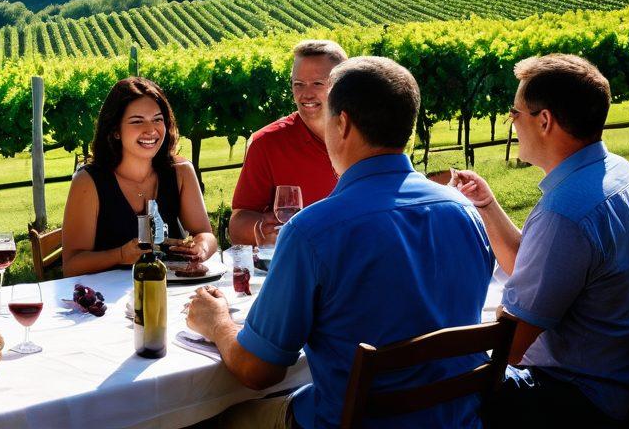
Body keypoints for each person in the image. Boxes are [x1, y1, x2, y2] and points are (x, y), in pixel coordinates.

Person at [187, 56, 493, 429]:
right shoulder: (466, 212)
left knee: (213, 418)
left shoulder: (313, 231)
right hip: (458, 420)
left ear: (342, 124)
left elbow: (258, 370)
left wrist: (217, 323)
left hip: (350, 422)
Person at [452, 54, 629, 428]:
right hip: (616, 383)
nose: (511, 124)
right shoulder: (625, 176)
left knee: (436, 387)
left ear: (544, 121)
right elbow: (541, 270)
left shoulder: (565, 213)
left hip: (573, 399)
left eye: (514, 113)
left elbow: (508, 347)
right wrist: (487, 205)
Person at [61, 76, 218, 275]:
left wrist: (201, 248)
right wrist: (119, 255)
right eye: (137, 121)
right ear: (115, 130)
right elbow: (72, 266)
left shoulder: (181, 172)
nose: (150, 130)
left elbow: (206, 235)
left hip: (173, 294)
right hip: (108, 300)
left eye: (157, 120)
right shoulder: (88, 181)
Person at [229, 40, 346, 246]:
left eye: (318, 83)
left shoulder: (367, 135)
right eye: (298, 84)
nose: (305, 94)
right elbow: (238, 224)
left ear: (343, 86)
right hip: (299, 269)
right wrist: (261, 230)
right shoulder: (267, 143)